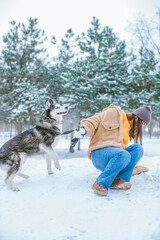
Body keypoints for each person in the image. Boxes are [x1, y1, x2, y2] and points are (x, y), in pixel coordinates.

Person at [73, 104, 152, 196]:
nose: (141, 127)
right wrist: (84, 130)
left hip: (116, 156)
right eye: (142, 124)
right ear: (137, 118)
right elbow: (96, 119)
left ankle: (120, 180)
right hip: (99, 154)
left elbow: (122, 152)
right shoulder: (116, 113)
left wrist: (132, 165)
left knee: (138, 148)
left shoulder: (128, 129)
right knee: (124, 154)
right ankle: (100, 184)